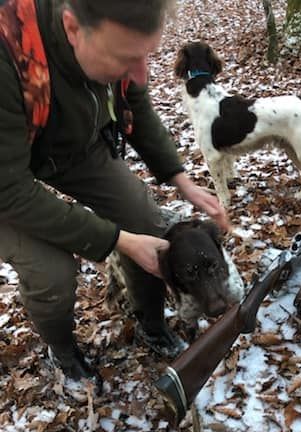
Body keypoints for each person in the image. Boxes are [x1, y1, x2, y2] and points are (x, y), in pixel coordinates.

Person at [0, 0, 229, 381]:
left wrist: (180, 178)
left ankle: (150, 322)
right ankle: (63, 350)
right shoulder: (8, 52)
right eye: (126, 58)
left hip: (71, 147)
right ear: (73, 28)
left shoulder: (117, 42)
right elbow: (9, 190)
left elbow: (136, 105)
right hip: (5, 179)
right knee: (52, 274)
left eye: (147, 56)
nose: (140, 73)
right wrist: (116, 240)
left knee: (148, 225)